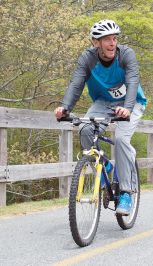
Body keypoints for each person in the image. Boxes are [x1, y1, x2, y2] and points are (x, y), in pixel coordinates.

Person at [54, 19, 147, 215]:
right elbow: (76, 84)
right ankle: (105, 169)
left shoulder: (126, 55)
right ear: (95, 42)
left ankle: (126, 193)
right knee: (85, 129)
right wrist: (65, 107)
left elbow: (132, 81)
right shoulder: (87, 58)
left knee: (121, 140)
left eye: (114, 38)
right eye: (106, 39)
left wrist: (128, 108)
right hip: (103, 103)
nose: (112, 43)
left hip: (132, 103)